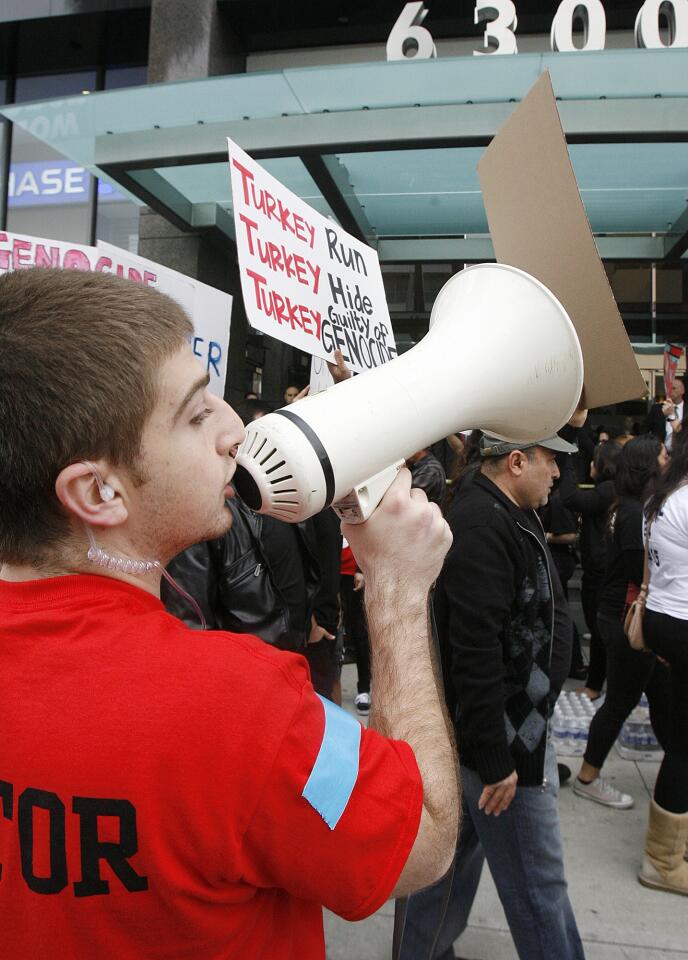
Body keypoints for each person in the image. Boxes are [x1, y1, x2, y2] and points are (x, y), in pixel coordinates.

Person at [0, 268, 459, 959]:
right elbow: (421, 841)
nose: (234, 427)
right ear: (98, 491)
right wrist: (396, 588)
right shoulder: (238, 704)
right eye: (194, 412)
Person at [400, 432, 585, 960]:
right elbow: (474, 652)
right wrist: (497, 757)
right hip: (503, 751)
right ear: (516, 461)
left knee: (445, 871)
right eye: (551, 461)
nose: (557, 474)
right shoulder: (484, 523)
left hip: (500, 740)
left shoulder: (506, 510)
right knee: (537, 891)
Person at [574, 435, 671, 809]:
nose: (668, 459)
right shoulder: (633, 513)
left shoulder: (632, 507)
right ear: (648, 465)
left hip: (622, 616)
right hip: (626, 619)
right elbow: (638, 569)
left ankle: (677, 764)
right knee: (618, 703)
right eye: (663, 455)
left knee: (664, 699)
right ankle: (587, 776)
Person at [638, 425, 688, 896]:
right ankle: (663, 860)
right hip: (681, 624)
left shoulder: (662, 497)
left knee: (677, 734)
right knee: (683, 747)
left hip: (662, 620)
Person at [560, 439, 623, 699]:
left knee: (599, 631)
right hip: (602, 569)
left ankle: (595, 685)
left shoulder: (607, 490)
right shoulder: (612, 489)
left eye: (594, 459)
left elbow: (571, 498)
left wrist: (569, 462)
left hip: (600, 571)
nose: (590, 463)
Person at [644, 374, 685, 450]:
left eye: (674, 388)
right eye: (669, 389)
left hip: (682, 453)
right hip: (659, 452)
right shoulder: (657, 409)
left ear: (682, 391)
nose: (671, 391)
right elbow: (645, 429)